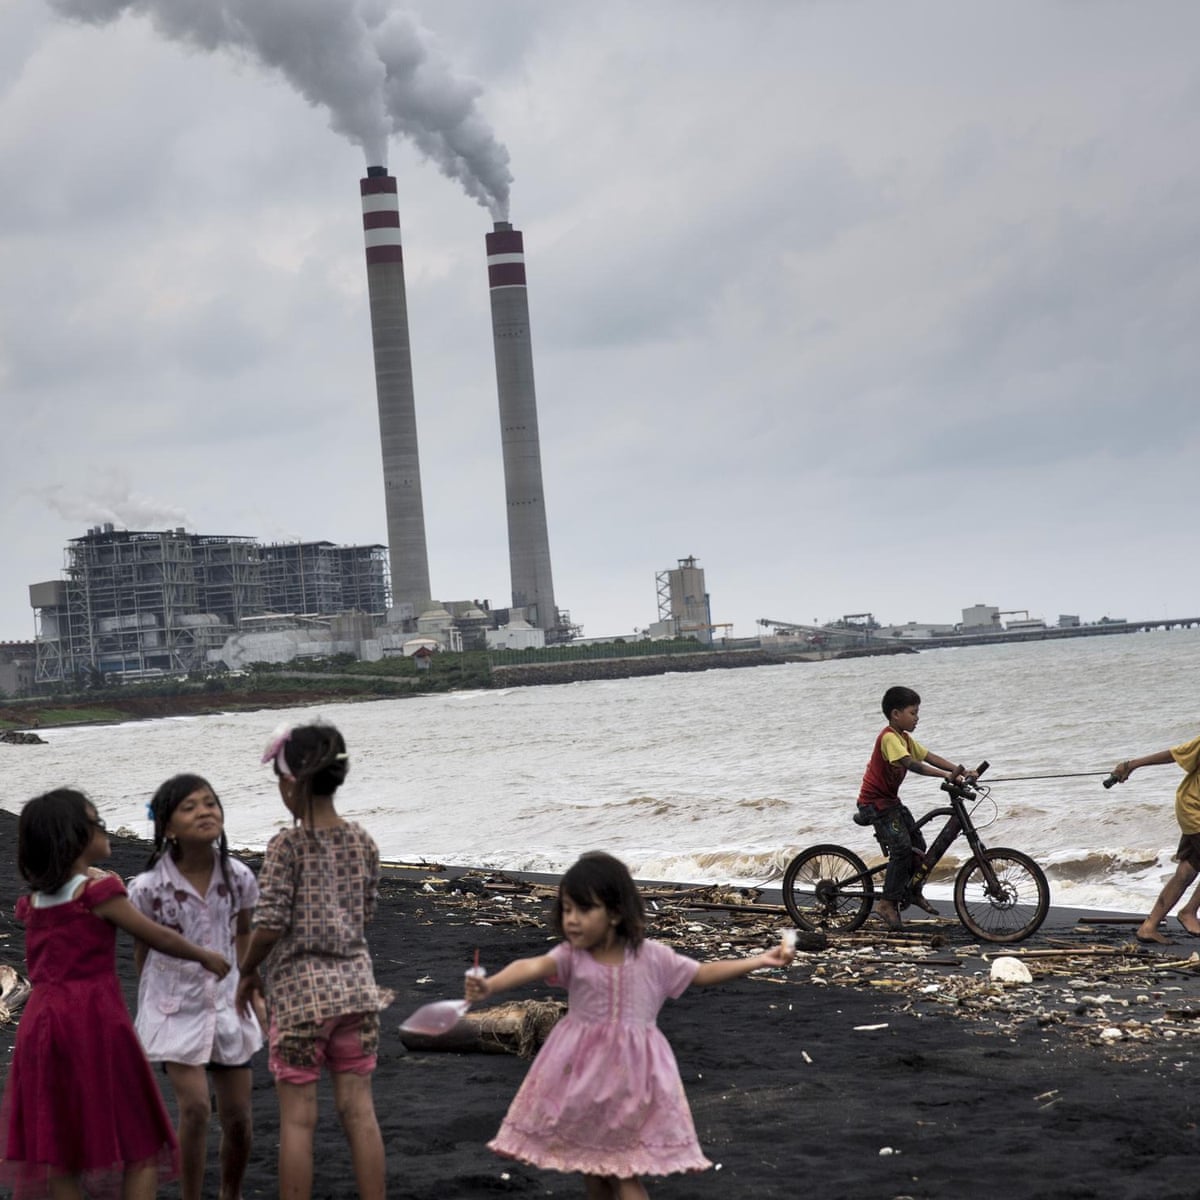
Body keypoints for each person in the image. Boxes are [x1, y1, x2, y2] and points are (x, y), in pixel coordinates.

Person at [464, 850, 795, 1199]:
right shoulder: (572, 957)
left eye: (584, 909)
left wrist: (759, 960)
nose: (572, 920)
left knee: (622, 1174)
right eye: (566, 909)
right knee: (591, 1166)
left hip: (631, 1079)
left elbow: (702, 973)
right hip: (584, 1080)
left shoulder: (652, 957)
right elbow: (530, 967)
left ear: (616, 912)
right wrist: (491, 984)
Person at [0, 788, 229, 1200]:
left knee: (60, 1147)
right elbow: (155, 935)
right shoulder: (99, 895)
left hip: (40, 1026)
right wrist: (205, 956)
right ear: (74, 839)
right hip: (94, 1021)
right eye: (96, 822)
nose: (105, 828)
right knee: (139, 1138)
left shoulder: (33, 902)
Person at [235, 723, 393, 1200]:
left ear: (292, 782)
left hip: (302, 999)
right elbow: (367, 911)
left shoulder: (288, 846)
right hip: (357, 992)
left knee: (299, 1120)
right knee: (360, 1113)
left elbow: (270, 923)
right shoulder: (362, 840)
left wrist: (247, 969)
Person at [128, 774, 263, 1200]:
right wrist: (148, 1003)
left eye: (210, 803)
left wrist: (251, 981)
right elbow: (143, 952)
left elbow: (244, 933)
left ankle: (230, 1192)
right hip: (174, 1007)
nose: (205, 811)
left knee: (239, 1116)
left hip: (227, 1005)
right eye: (190, 807)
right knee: (196, 1108)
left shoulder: (239, 876)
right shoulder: (148, 888)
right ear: (168, 827)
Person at [856, 686, 975, 931]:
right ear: (896, 714)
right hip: (874, 804)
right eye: (913, 712)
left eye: (917, 712)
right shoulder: (889, 738)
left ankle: (912, 891)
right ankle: (887, 903)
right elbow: (913, 765)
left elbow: (929, 757)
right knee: (901, 849)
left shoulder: (905, 739)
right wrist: (947, 776)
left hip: (890, 802)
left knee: (917, 848)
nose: (917, 717)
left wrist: (962, 771)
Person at [1109, 734, 1200, 944]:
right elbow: (1174, 754)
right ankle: (1189, 912)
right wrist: (1131, 765)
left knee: (1189, 868)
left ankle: (1149, 927)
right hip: (1194, 807)